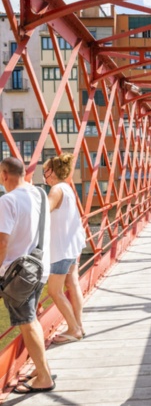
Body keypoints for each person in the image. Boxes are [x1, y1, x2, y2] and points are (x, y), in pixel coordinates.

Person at [0, 157, 55, 394]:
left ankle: (43, 377)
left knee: (26, 321)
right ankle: (42, 367)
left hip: (18, 274)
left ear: (4, 175)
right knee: (31, 317)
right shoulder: (41, 194)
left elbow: (2, 242)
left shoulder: (7, 201)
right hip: (40, 268)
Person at [43, 154, 86, 344]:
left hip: (60, 248)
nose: (43, 174)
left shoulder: (56, 190)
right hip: (72, 245)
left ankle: (74, 329)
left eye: (45, 170)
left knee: (54, 291)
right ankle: (78, 325)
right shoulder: (68, 188)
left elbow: (44, 212)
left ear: (52, 172)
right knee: (73, 284)